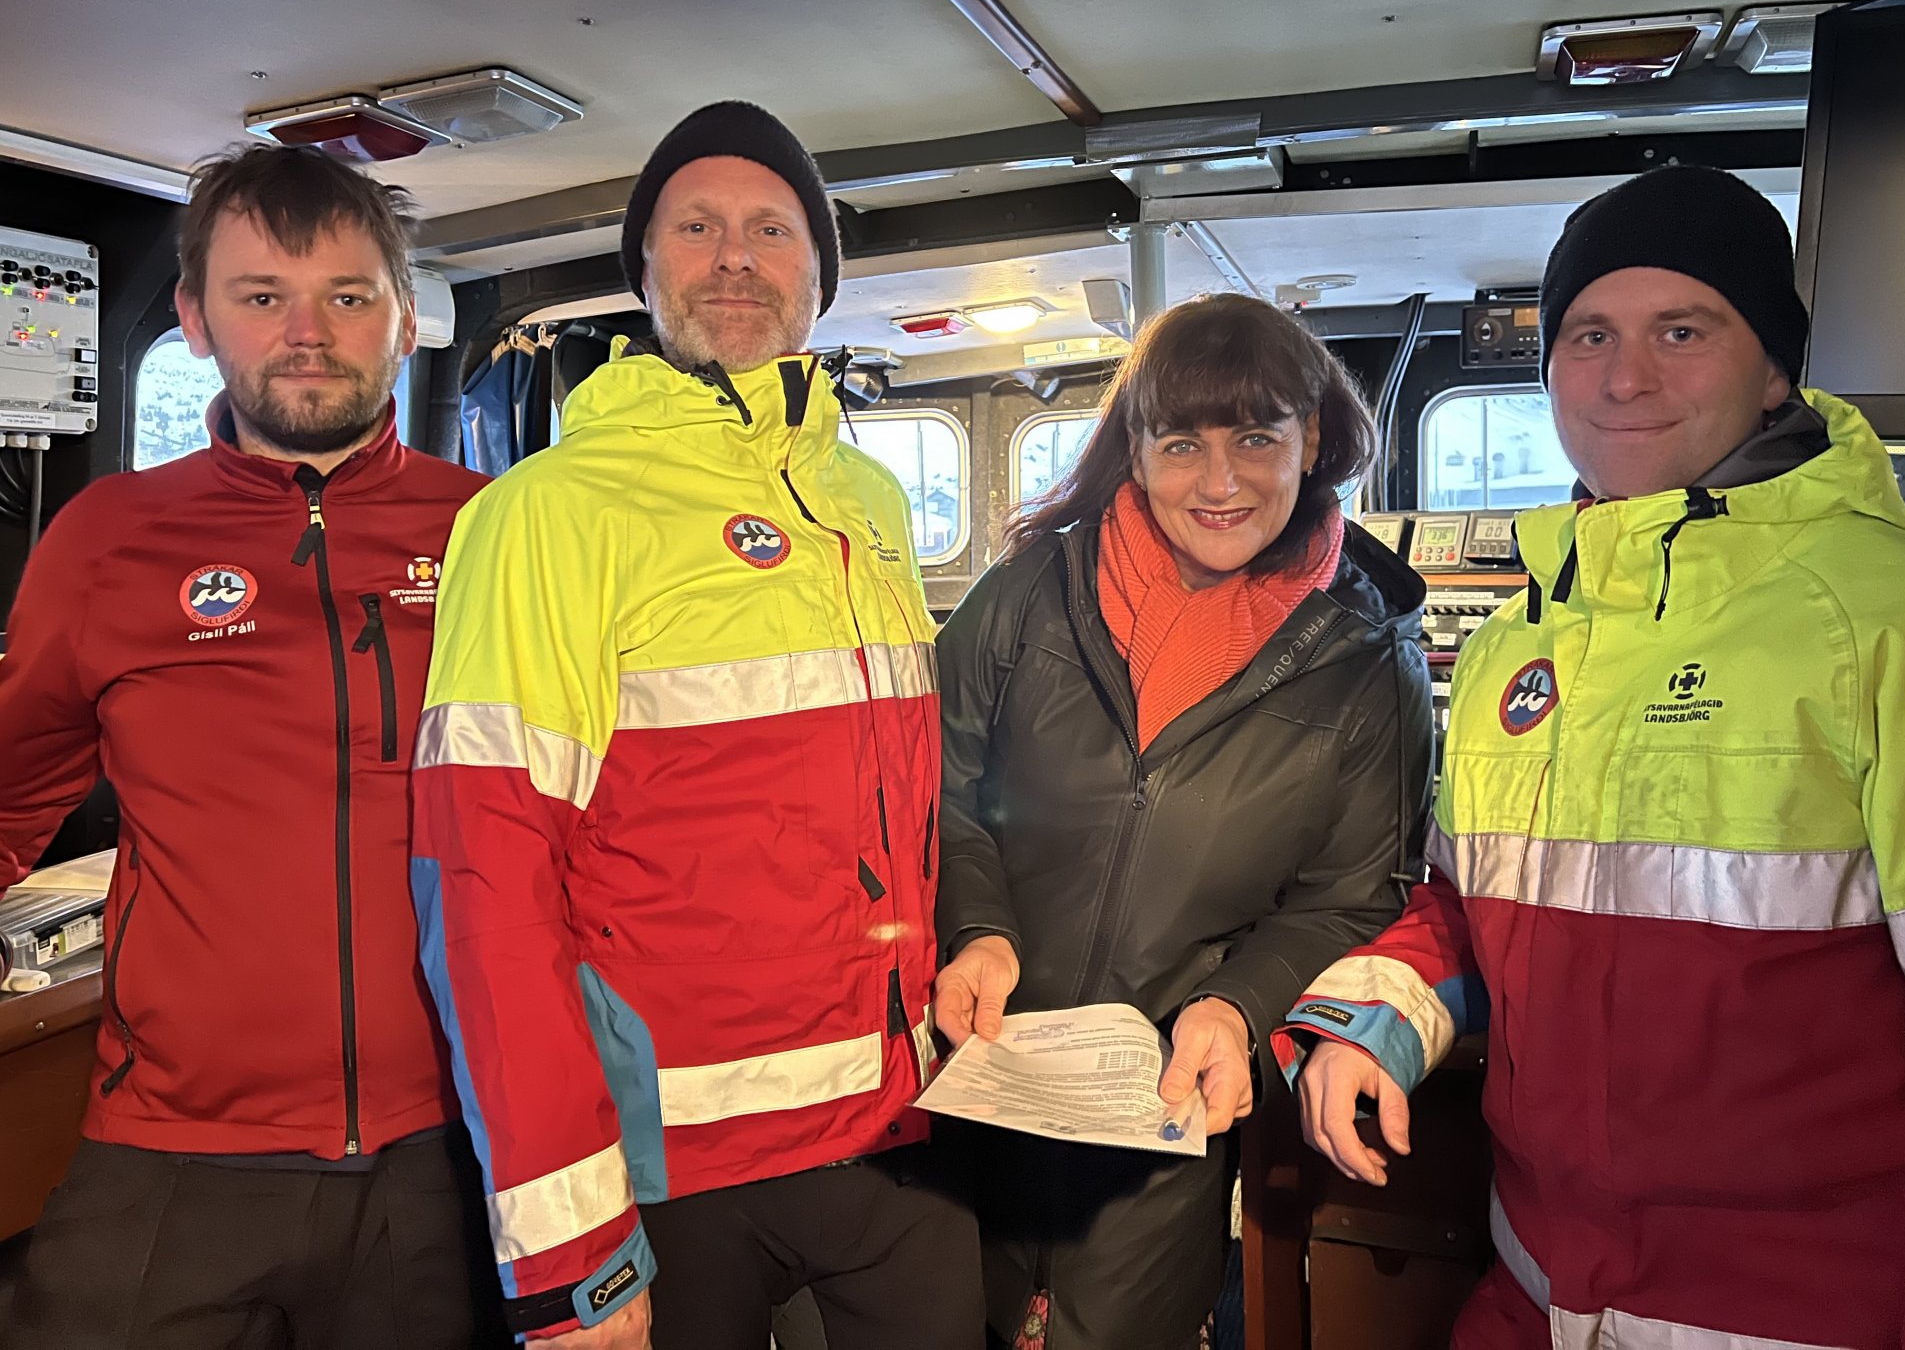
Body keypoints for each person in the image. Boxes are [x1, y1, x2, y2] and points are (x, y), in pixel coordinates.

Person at [1286, 166, 1905, 1349]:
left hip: (1813, 1312)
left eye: (1682, 330)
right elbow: (1467, 910)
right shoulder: (1517, 640)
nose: (1626, 379)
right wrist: (1369, 1022)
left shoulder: (1888, 618)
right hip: (1539, 1288)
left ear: (1775, 369)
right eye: (1589, 336)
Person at [411, 101, 983, 1349]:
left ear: (820, 278)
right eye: (697, 228)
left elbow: (905, 806)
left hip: (899, 1125)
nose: (735, 257)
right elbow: (484, 886)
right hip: (676, 1166)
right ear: (645, 269)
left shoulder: (868, 497)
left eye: (772, 229)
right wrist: (568, 1249)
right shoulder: (543, 514)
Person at [0, 145, 503, 1348]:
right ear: (193, 317)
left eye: (347, 295)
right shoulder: (107, 536)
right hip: (173, 1147)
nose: (307, 333)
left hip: (445, 1144)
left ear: (405, 319)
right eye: (262, 295)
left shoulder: (492, 530)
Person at [934, 293, 1433, 1350]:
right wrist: (977, 927)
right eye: (1182, 443)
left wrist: (1236, 1007)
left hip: (1163, 1110)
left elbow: (1352, 896)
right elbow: (939, 777)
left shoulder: (1368, 661)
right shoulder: (1026, 591)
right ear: (1135, 448)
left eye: (1256, 438)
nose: (1219, 482)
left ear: (1312, 441)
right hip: (968, 1074)